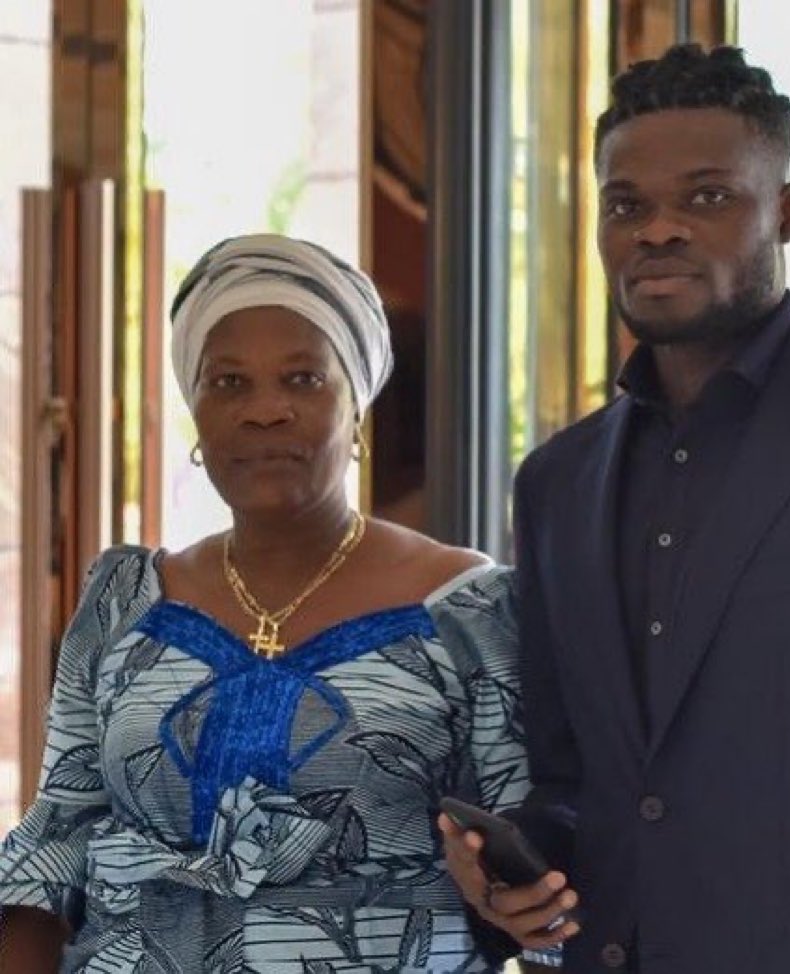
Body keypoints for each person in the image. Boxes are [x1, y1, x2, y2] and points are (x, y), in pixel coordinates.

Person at [441, 44, 790, 973]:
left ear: (787, 213)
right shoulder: (557, 484)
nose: (657, 231)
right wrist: (513, 875)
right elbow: (578, 785)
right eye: (626, 205)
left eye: (707, 197)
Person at [0, 234, 528, 972]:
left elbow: (537, 872)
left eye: (304, 379)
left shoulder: (468, 607)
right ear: (197, 416)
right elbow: (57, 842)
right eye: (228, 384)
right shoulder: (123, 600)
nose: (266, 412)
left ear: (357, 410)